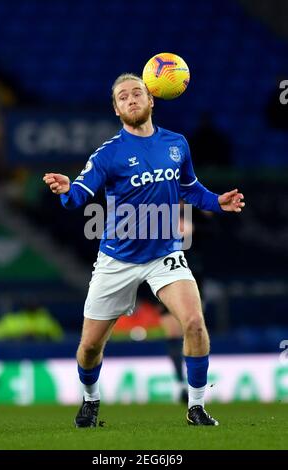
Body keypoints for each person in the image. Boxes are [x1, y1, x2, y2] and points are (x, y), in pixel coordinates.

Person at [43, 73, 245, 428]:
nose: (131, 98)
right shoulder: (108, 154)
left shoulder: (177, 144)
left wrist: (217, 201)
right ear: (117, 109)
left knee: (195, 323)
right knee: (89, 347)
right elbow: (78, 196)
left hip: (164, 254)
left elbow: (189, 188)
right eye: (123, 96)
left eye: (138, 92)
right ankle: (91, 400)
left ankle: (195, 407)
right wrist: (64, 190)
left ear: (152, 100)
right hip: (117, 259)